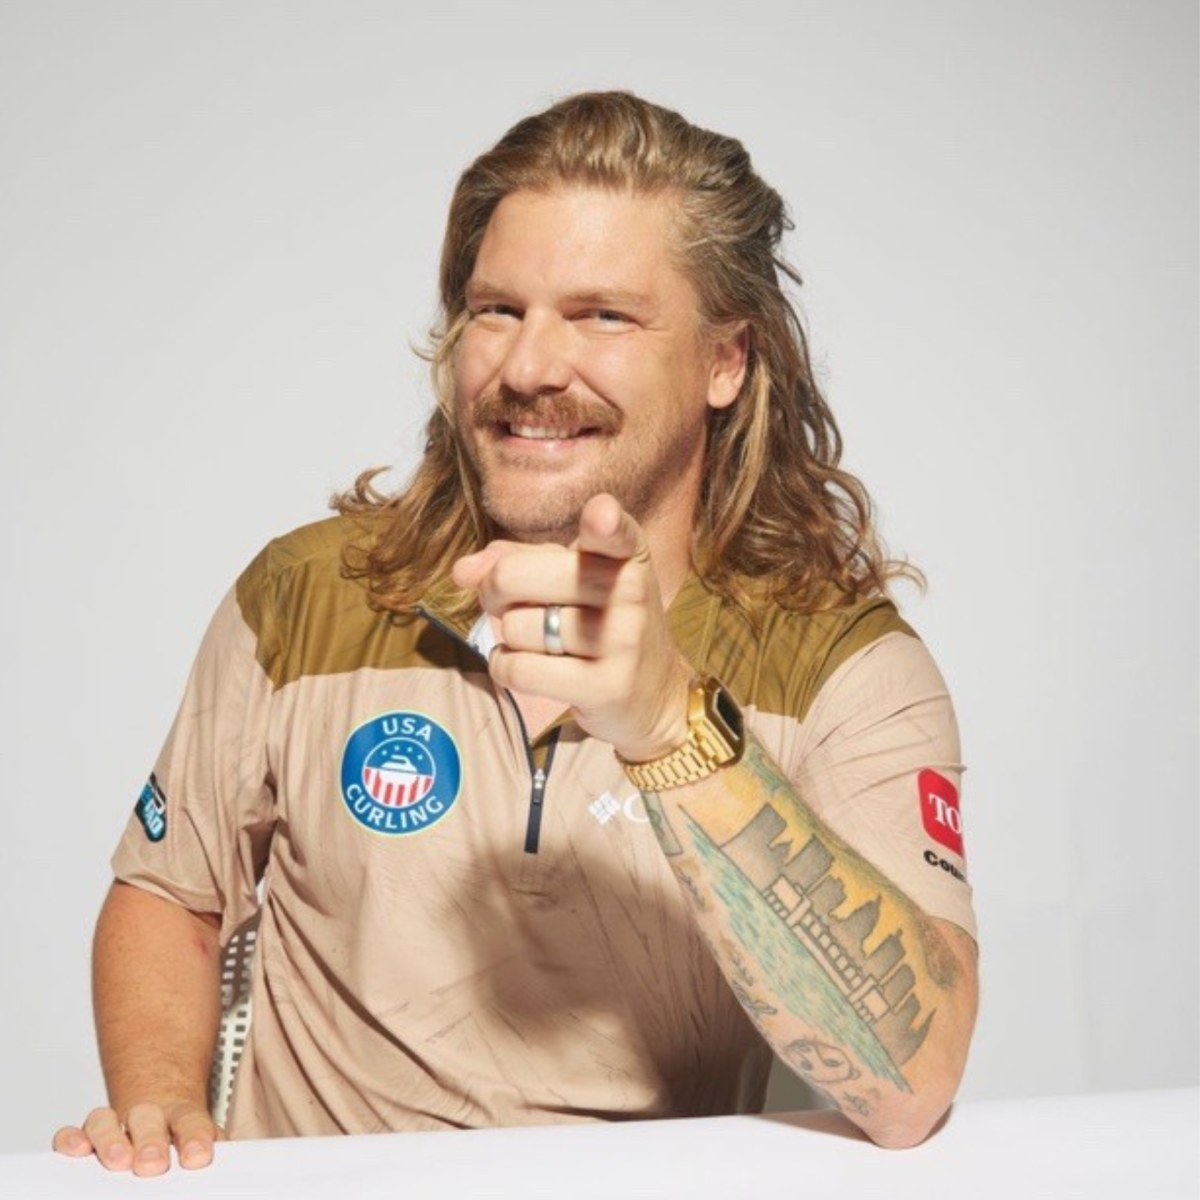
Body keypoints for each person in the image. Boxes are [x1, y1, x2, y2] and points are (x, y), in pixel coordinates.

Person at [54, 91, 977, 1175]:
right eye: (497, 310)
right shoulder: (305, 595)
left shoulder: (846, 666)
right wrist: (163, 1107)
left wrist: (674, 728)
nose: (530, 366)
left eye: (603, 316)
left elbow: (913, 1087)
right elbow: (172, 892)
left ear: (726, 360)